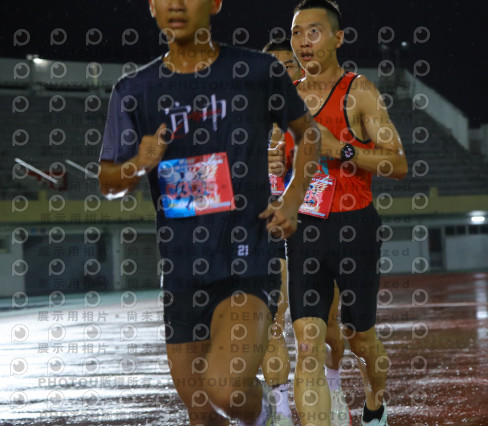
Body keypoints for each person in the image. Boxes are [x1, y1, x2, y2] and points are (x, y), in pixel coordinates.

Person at [98, 1, 318, 425]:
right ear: (152, 6)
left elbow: (307, 134)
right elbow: (108, 182)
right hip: (181, 271)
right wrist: (137, 164)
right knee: (201, 413)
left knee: (226, 390)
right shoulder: (134, 90)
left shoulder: (256, 71)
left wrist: (293, 199)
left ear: (215, 3)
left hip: (247, 258)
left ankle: (267, 414)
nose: (177, 4)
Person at [285, 1, 408, 425]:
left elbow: (398, 163)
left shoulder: (360, 92)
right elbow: (282, 166)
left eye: (313, 31)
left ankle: (375, 403)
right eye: (296, 32)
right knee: (307, 344)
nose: (303, 41)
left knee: (361, 339)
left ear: (338, 38)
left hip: (355, 227)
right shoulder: (285, 99)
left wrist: (343, 149)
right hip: (305, 228)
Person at [261, 39, 348, 426]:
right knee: (272, 320)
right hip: (269, 230)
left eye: (287, 65)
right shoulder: (249, 117)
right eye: (272, 66)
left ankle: (333, 381)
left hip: (315, 228)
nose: (279, 73)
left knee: (325, 328)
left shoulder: (321, 114)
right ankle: (280, 409)